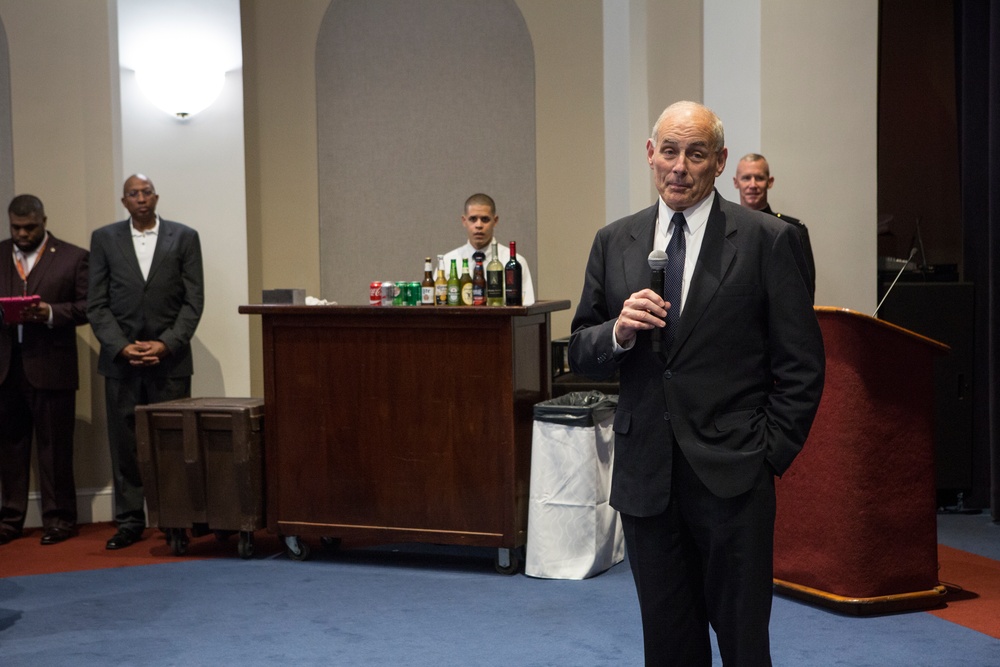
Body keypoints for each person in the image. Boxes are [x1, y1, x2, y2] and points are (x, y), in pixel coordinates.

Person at [569, 101, 825, 666]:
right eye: (669, 151)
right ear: (650, 155)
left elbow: (802, 365)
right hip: (647, 481)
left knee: (742, 645)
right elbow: (580, 348)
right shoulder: (615, 241)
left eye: (696, 153)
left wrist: (769, 454)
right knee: (668, 647)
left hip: (735, 476)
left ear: (719, 161)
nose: (679, 166)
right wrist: (617, 331)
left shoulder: (766, 240)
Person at [87, 174, 204, 550]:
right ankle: (130, 520)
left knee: (171, 443)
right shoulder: (104, 238)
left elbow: (193, 301)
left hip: (169, 361)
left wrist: (166, 344)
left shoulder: (184, 237)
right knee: (125, 444)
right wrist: (121, 346)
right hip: (121, 361)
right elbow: (97, 303)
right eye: (133, 194)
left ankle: (175, 519)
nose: (141, 198)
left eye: (147, 192)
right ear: (124, 202)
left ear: (156, 197)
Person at [0, 195, 89, 545]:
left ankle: (59, 520)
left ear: (44, 221)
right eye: (16, 227)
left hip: (52, 366)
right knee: (9, 447)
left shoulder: (73, 257)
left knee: (55, 449)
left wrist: (50, 313)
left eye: (30, 227)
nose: (22, 234)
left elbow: (87, 307)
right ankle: (10, 520)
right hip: (6, 369)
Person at [733, 153, 816, 300]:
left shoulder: (791, 229)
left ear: (769, 182)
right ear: (736, 182)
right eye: (746, 178)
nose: (752, 185)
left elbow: (804, 291)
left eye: (759, 178)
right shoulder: (725, 228)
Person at [442, 193, 535, 305]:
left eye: (485, 219)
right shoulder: (448, 261)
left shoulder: (514, 263)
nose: (479, 225)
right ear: (464, 221)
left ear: (495, 221)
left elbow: (527, 306)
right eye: (473, 219)